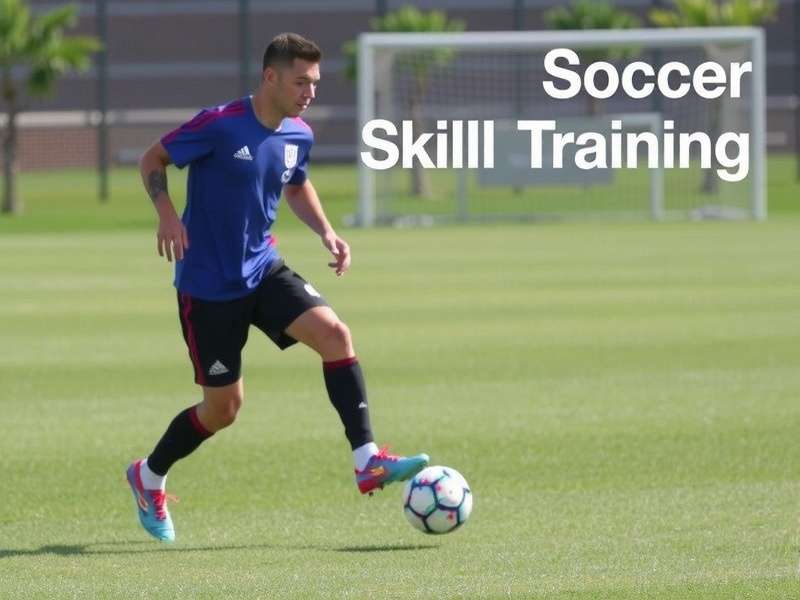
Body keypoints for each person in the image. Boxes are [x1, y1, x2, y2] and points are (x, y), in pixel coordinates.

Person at [126, 32, 429, 543]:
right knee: (223, 410)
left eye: (314, 82)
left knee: (336, 335)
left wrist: (327, 230)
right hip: (208, 287)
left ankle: (366, 459)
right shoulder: (219, 125)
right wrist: (167, 216)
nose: (310, 91)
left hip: (264, 268)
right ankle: (148, 476)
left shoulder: (298, 134)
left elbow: (295, 182)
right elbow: (151, 160)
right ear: (271, 77)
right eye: (300, 81)